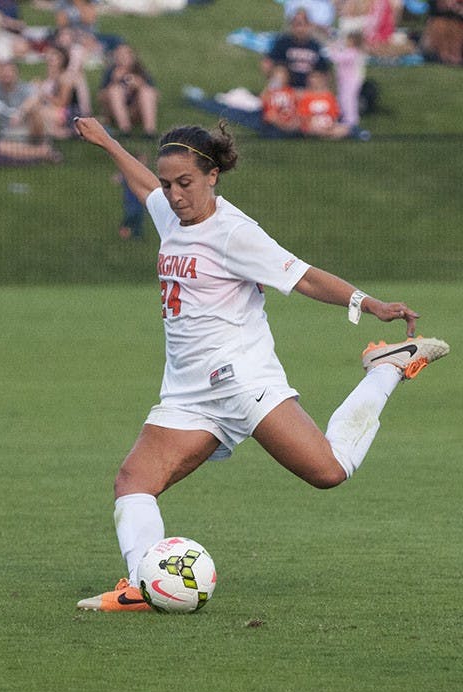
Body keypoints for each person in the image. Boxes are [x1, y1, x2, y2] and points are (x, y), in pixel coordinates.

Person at [70, 116, 449, 612]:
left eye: (185, 183)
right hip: (187, 394)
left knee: (329, 472)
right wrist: (108, 144)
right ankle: (146, 586)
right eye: (168, 184)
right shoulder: (170, 212)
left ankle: (386, 366)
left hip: (242, 381)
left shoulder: (234, 233)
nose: (174, 194)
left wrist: (369, 302)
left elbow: (305, 277)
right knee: (133, 483)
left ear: (212, 176)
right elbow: (144, 187)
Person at [261, 8, 332, 89]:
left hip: (308, 87)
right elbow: (267, 62)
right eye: (296, 25)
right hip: (287, 86)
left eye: (302, 25)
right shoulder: (283, 42)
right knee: (280, 73)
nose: (299, 29)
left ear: (308, 26)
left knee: (317, 78)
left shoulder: (315, 46)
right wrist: (272, 75)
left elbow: (325, 71)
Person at [99, 43, 159, 137]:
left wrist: (140, 85)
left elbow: (155, 94)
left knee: (147, 91)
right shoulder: (111, 71)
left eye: (126, 54)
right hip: (115, 112)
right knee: (115, 90)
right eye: (119, 55)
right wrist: (114, 81)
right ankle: (125, 129)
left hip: (136, 110)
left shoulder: (140, 71)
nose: (123, 58)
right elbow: (101, 97)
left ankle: (149, 130)